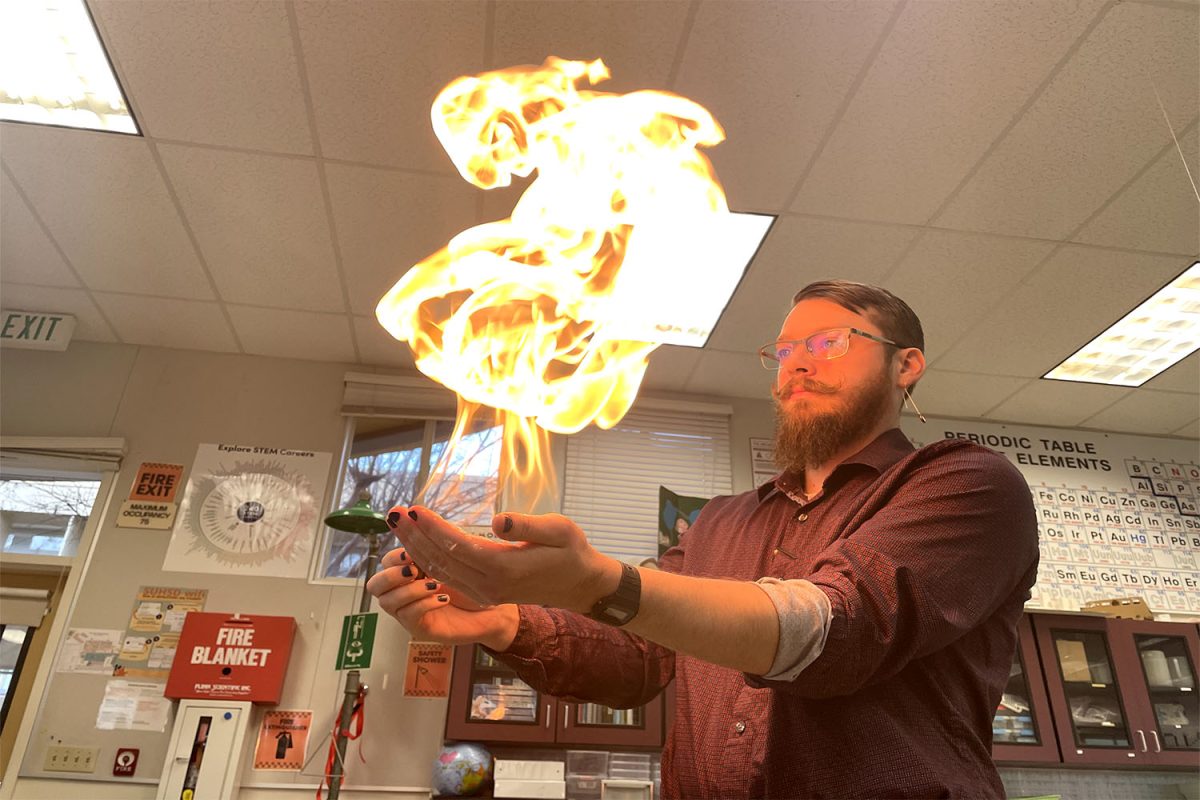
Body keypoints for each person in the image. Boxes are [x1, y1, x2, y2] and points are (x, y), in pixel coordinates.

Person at [367, 280, 1039, 799]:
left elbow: (840, 626)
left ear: (906, 365)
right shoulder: (720, 521)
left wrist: (604, 583)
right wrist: (498, 620)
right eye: (783, 351)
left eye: (828, 342)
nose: (796, 365)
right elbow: (636, 660)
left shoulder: (967, 485)